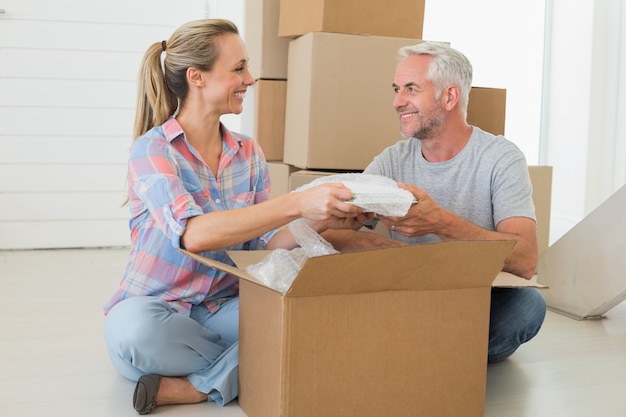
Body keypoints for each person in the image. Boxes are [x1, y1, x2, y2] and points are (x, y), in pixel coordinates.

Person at [102, 19, 367, 415]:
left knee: (318, 320)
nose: (251, 78)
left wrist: (320, 220)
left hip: (225, 305)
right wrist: (297, 203)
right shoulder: (152, 151)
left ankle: (196, 386)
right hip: (158, 311)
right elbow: (193, 235)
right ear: (198, 78)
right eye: (239, 68)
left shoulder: (248, 152)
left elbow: (259, 249)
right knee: (135, 332)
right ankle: (249, 363)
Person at [325, 41, 546, 363]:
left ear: (450, 97)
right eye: (397, 89)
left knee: (527, 307)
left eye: (411, 89)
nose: (397, 102)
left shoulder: (500, 157)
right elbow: (331, 230)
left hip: (476, 297)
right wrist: (374, 245)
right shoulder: (392, 161)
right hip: (410, 296)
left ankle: (418, 349)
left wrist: (442, 223)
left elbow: (525, 259)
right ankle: (437, 351)